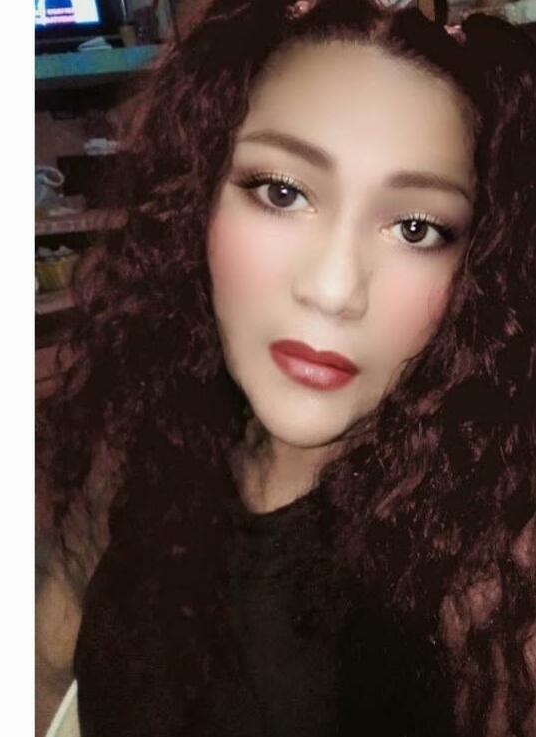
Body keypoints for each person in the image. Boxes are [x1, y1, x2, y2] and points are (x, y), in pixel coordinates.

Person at [36, 0, 536, 734]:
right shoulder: (135, 439)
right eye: (282, 191)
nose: (332, 289)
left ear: (475, 269)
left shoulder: (494, 581)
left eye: (414, 227)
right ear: (195, 201)